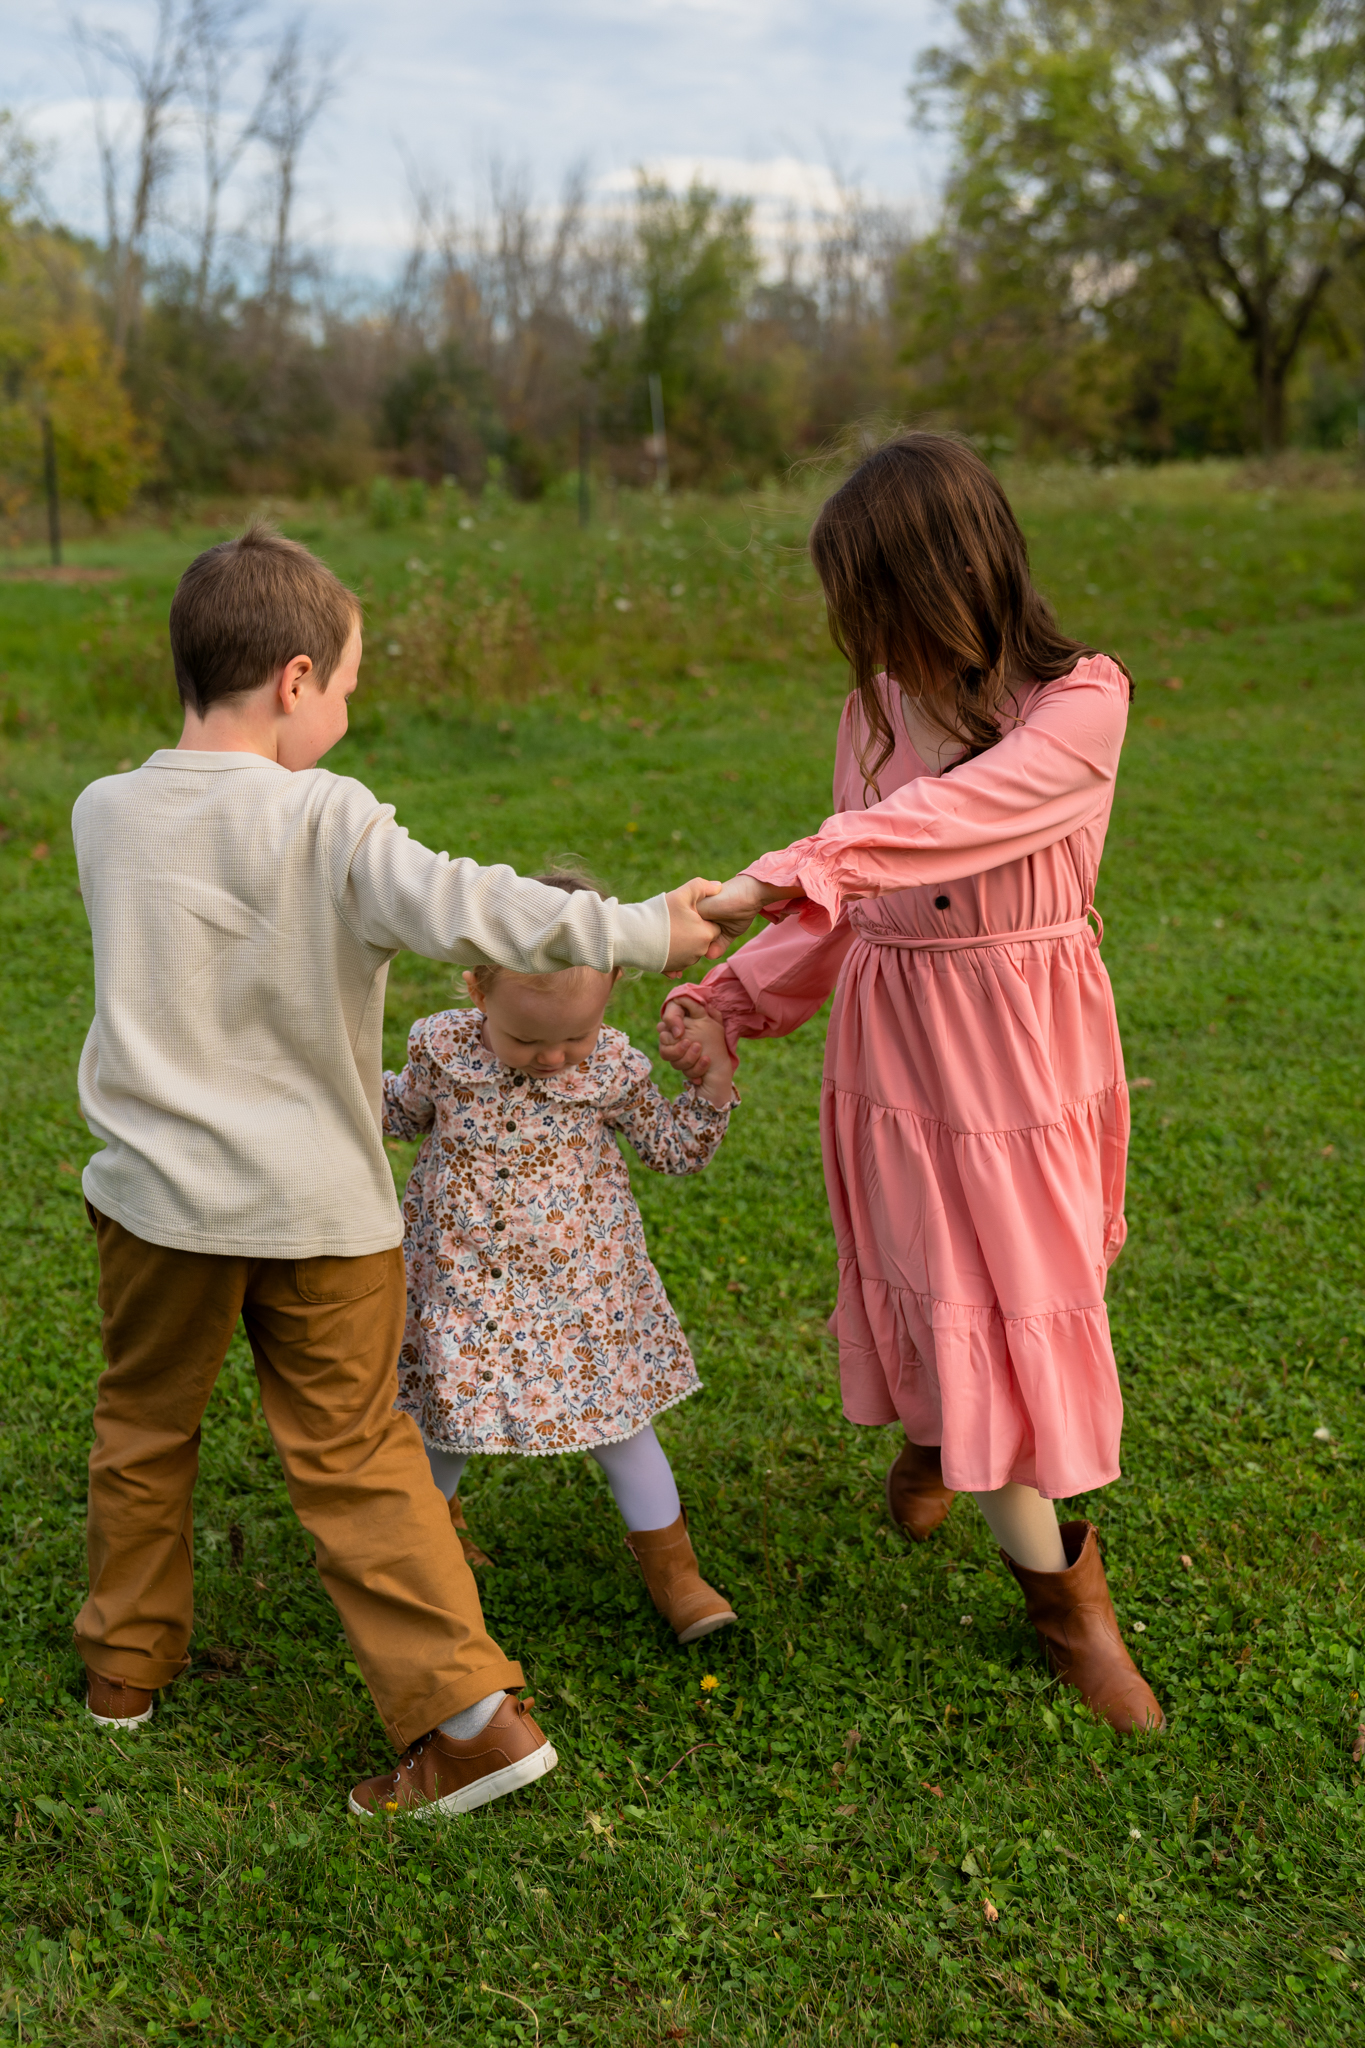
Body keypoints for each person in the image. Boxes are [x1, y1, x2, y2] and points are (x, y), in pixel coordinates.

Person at [71, 522, 727, 1820]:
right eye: (353, 690)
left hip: (157, 1208)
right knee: (362, 1456)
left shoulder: (104, 813)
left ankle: (123, 1680)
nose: (350, 719)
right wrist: (647, 926)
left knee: (145, 1431)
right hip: (321, 1213)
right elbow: (482, 906)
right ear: (296, 680)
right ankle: (475, 1722)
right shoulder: (330, 820)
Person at [662, 433, 1163, 1735]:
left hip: (1023, 1057)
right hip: (902, 1053)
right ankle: (1069, 1611)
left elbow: (942, 825)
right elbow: (856, 903)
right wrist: (734, 995)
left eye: (863, 595)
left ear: (936, 578)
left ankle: (954, 1439)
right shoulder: (871, 716)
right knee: (963, 1298)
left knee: (1033, 1294)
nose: (851, 631)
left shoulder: (1079, 706)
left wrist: (778, 869)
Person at [383, 870, 739, 1647]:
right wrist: (334, 1083)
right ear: (476, 987)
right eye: (528, 1040)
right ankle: (429, 1567)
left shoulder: (610, 1066)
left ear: (611, 986)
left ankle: (674, 1572)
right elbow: (401, 1113)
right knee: (443, 1425)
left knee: (621, 1427)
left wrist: (709, 1086)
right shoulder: (440, 1049)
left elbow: (670, 1150)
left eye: (572, 1038)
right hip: (463, 1281)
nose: (552, 1059)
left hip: (583, 1287)